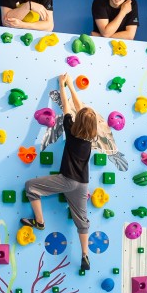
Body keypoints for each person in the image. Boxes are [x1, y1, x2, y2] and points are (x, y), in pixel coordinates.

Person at [20, 73, 96, 272]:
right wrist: (72, 85)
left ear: (78, 122)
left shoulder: (71, 130)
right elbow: (82, 110)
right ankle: (85, 255)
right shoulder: (91, 136)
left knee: (31, 187)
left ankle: (40, 222)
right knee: (82, 221)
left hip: (67, 180)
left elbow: (67, 106)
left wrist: (64, 85)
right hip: (83, 184)